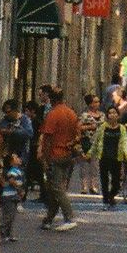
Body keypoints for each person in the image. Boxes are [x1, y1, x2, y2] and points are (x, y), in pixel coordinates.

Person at [38, 86, 79, 232]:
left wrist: (45, 158)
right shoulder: (71, 113)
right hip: (67, 154)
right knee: (53, 189)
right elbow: (77, 135)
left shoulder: (53, 114)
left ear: (51, 98)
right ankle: (48, 219)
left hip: (55, 154)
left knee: (56, 188)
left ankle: (69, 217)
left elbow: (47, 138)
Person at [94, 104, 127, 207]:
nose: (112, 115)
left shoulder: (122, 128)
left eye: (114, 113)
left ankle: (112, 194)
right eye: (110, 113)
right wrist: (90, 153)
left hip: (116, 157)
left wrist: (126, 154)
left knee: (116, 181)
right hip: (104, 156)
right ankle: (106, 198)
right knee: (104, 179)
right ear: (107, 115)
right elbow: (96, 141)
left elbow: (124, 141)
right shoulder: (103, 127)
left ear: (118, 115)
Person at [76, 95, 102, 196]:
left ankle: (93, 186)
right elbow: (78, 127)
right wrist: (90, 127)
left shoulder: (102, 115)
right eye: (95, 102)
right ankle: (84, 186)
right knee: (84, 165)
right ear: (90, 104)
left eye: (98, 101)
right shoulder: (85, 115)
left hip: (98, 143)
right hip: (86, 142)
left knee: (95, 166)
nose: (97, 104)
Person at [0, 149, 25, 242]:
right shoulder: (13, 171)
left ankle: (8, 234)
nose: (19, 159)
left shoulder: (17, 170)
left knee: (12, 215)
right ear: (11, 162)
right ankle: (2, 232)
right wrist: (19, 190)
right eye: (16, 158)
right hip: (9, 195)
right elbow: (11, 180)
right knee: (8, 215)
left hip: (13, 195)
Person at [0, 98, 33, 163]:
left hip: (21, 155)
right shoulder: (5, 120)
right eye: (5, 112)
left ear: (15, 110)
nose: (7, 114)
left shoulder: (25, 120)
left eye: (8, 112)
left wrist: (13, 132)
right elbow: (1, 129)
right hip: (8, 154)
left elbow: (29, 134)